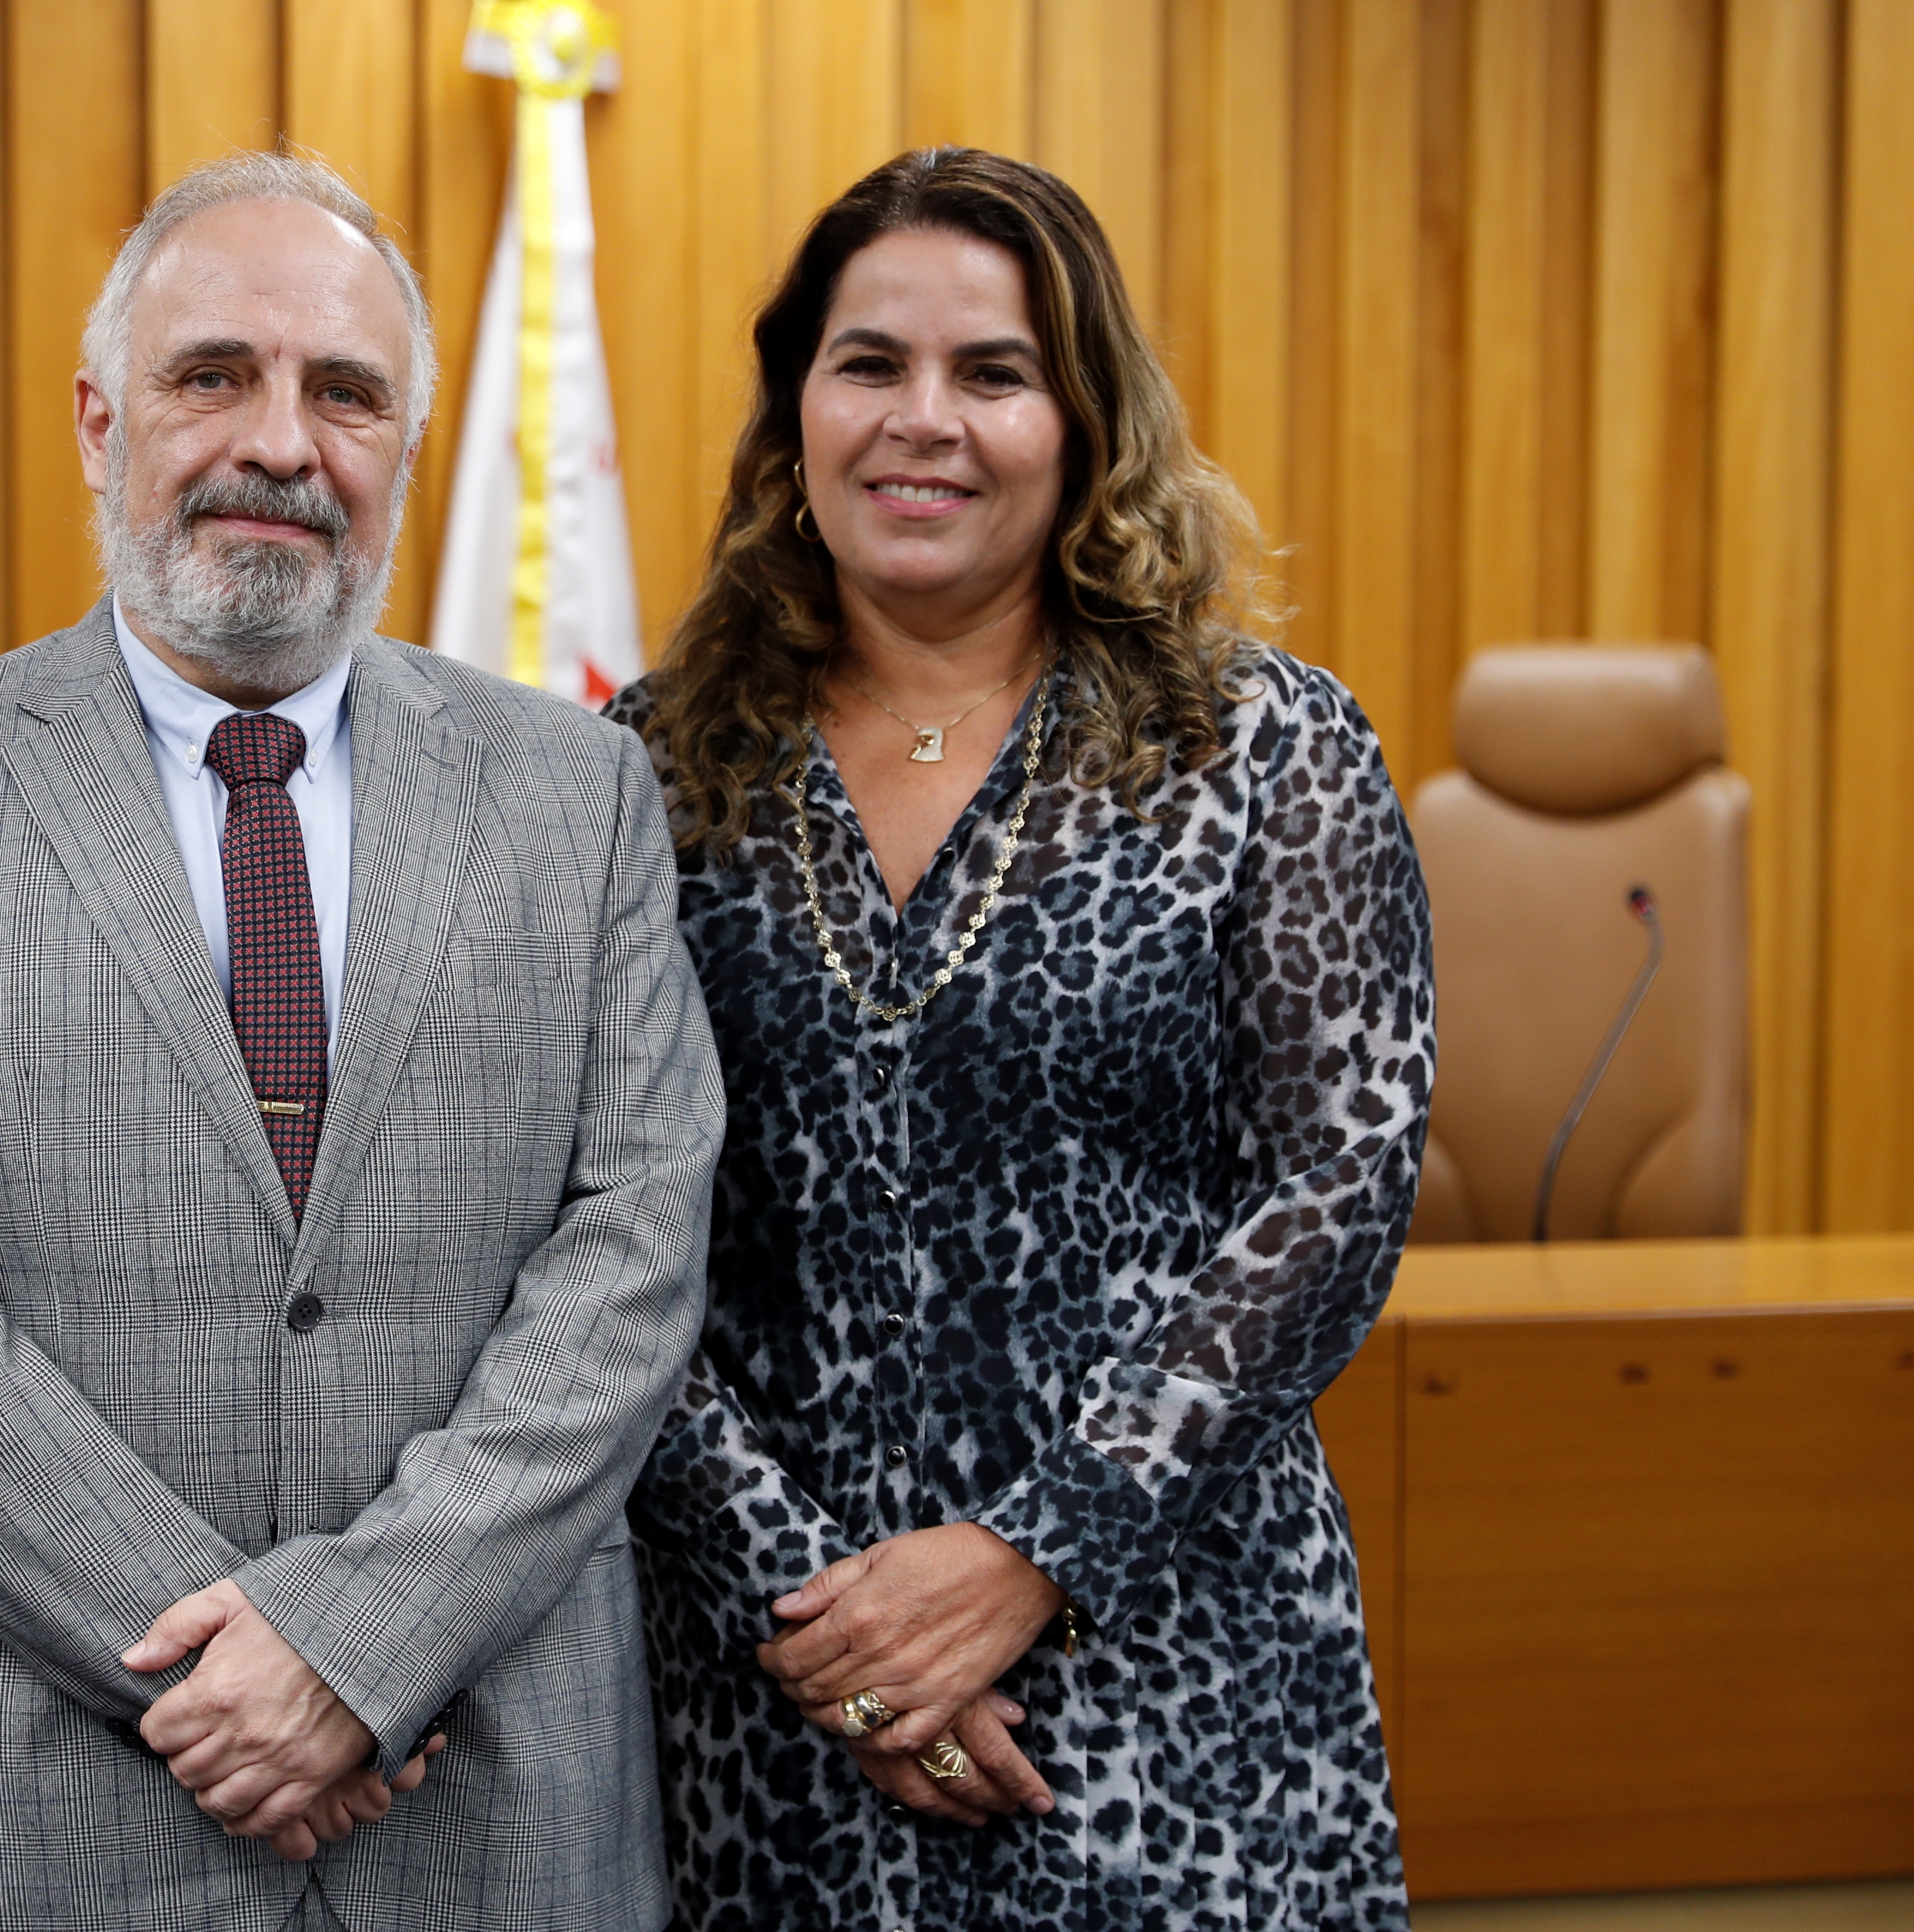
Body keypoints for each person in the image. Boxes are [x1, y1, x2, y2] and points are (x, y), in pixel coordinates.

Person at [0, 152, 722, 1932]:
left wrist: (362, 1649)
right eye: (214, 374)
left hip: (489, 1801)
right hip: (35, 1801)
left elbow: (636, 1242)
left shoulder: (577, 789)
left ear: (404, 457)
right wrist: (233, 1679)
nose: (280, 441)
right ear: (99, 420)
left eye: (343, 393)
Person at [606, 148, 1432, 1930]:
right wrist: (813, 1609)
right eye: (867, 364)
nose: (925, 421)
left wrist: (1031, 1553)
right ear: (793, 412)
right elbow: (581, 1228)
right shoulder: (643, 767)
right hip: (773, 1689)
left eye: (992, 371)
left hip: (1167, 1656)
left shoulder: (1263, 746)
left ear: (1082, 420)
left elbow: (1338, 1183)